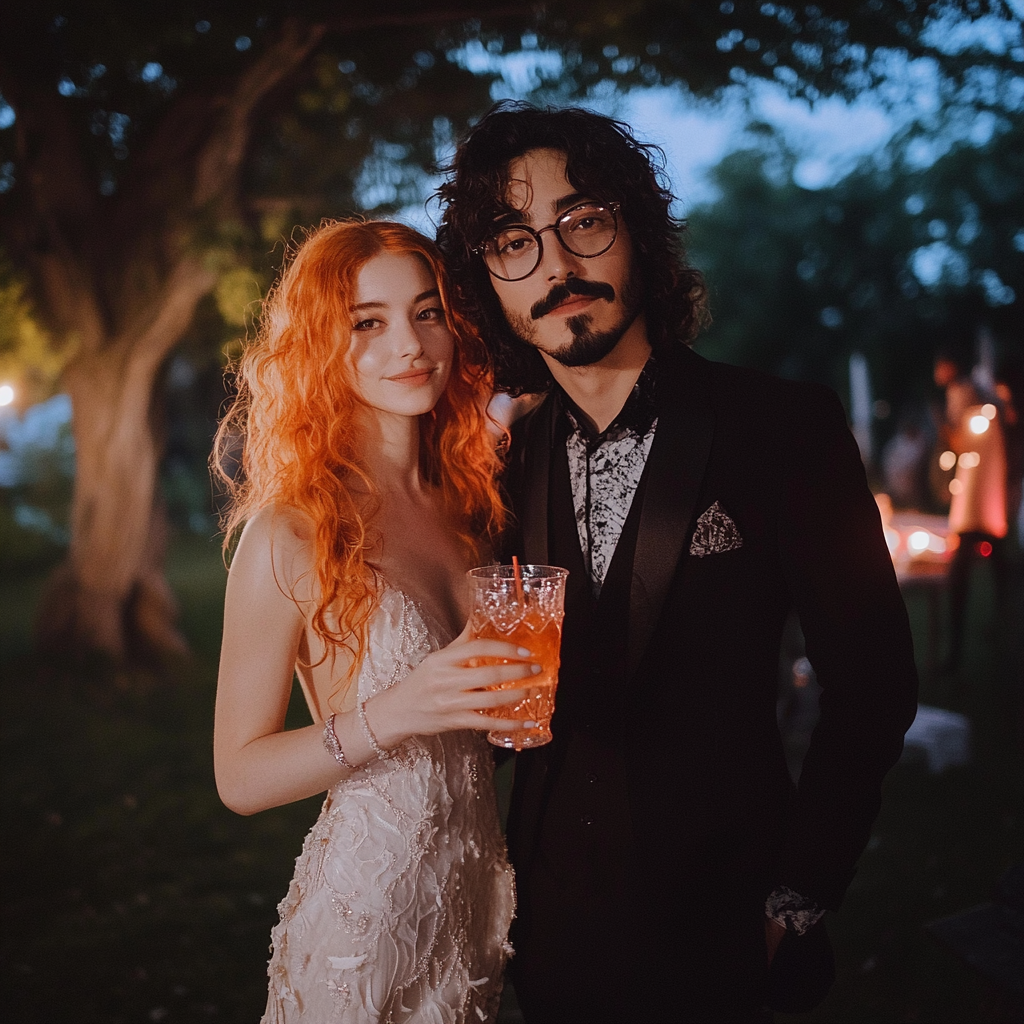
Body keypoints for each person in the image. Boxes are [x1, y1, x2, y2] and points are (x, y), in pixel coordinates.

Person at [436, 102, 920, 1023]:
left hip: (730, 925)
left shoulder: (786, 428)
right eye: (513, 242)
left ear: (637, 231)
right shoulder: (499, 462)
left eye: (583, 221)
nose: (559, 268)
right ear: (488, 283)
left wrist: (798, 896)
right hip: (553, 932)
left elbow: (874, 684)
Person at [212, 219, 534, 1023]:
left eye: (428, 313)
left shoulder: (472, 509)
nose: (411, 344)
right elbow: (239, 778)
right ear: (323, 344)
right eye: (369, 322)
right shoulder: (291, 530)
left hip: (472, 905)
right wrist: (398, 711)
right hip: (368, 919)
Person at [933, 348, 1011, 672]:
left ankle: (958, 652)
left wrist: (943, 426)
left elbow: (960, 442)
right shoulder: (991, 398)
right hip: (992, 497)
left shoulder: (960, 394)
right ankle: (1003, 637)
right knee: (999, 570)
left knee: (961, 575)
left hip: (976, 498)